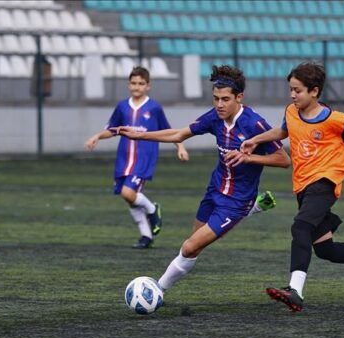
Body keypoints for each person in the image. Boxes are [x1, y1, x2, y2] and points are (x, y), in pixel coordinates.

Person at [240, 61, 344, 312]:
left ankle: (295, 291)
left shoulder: (334, 119)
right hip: (303, 186)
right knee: (326, 249)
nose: (293, 95)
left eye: (298, 90)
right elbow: (283, 131)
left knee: (300, 227)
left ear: (314, 91)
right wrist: (254, 140)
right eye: (291, 89)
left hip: (325, 183)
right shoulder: (291, 111)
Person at [118, 65, 290, 291]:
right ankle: (256, 206)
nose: (219, 104)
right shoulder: (215, 117)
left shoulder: (254, 124)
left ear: (239, 97)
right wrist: (140, 135)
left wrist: (249, 159)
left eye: (225, 99)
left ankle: (157, 291)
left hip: (237, 201)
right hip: (214, 189)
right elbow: (180, 133)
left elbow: (283, 160)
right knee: (195, 244)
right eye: (216, 98)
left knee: (189, 247)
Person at [84, 66, 189, 249]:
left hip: (144, 158)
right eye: (133, 83)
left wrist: (180, 146)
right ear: (128, 84)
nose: (137, 87)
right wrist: (97, 136)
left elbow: (168, 130)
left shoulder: (154, 107)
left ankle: (152, 209)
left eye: (141, 83)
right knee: (128, 197)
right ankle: (146, 236)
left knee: (128, 193)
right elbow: (113, 130)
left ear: (148, 86)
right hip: (124, 158)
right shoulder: (122, 107)